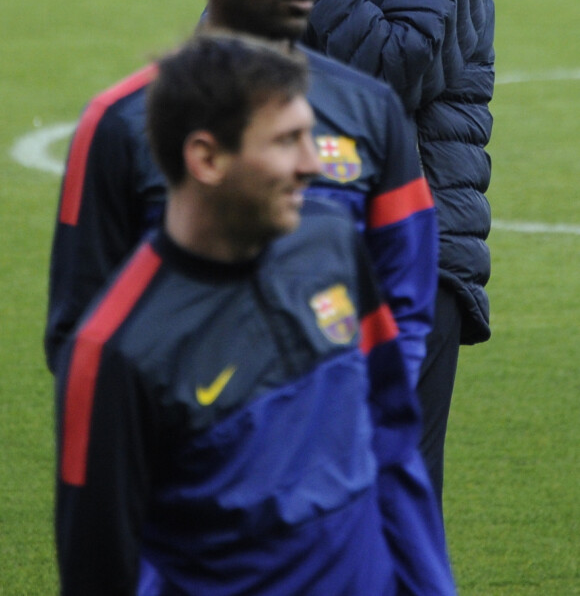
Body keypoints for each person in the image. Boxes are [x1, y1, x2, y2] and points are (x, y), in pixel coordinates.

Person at [55, 33, 456, 595]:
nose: (314, 164)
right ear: (206, 158)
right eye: (287, 141)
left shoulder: (334, 245)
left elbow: (392, 444)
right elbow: (99, 572)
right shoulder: (116, 353)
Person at [46, 0, 438, 393]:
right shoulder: (119, 121)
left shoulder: (371, 109)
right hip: (190, 463)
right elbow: (79, 327)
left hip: (336, 465)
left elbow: (406, 302)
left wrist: (365, 425)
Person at [295, 0, 495, 503]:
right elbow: (227, 67)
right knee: (317, 486)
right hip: (311, 253)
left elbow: (399, 70)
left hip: (418, 250)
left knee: (393, 489)